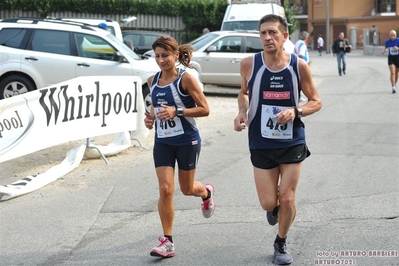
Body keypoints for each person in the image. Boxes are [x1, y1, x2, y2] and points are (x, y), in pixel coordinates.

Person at [233, 14, 322, 265]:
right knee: (269, 202)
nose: (267, 37)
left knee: (287, 198)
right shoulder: (249, 64)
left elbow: (316, 101)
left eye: (273, 32)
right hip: (260, 140)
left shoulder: (298, 66)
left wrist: (297, 111)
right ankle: (277, 212)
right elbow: (243, 93)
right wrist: (241, 112)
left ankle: (280, 242)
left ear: (284, 36)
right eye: (263, 33)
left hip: (292, 139)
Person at [144, 36, 216, 258]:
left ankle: (206, 193)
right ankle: (168, 241)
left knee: (186, 189)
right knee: (166, 189)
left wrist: (178, 112)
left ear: (175, 55)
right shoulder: (152, 81)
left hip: (187, 140)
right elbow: (155, 109)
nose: (161, 60)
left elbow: (205, 109)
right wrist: (151, 118)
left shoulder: (186, 79)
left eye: (165, 55)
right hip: (163, 142)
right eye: (157, 56)